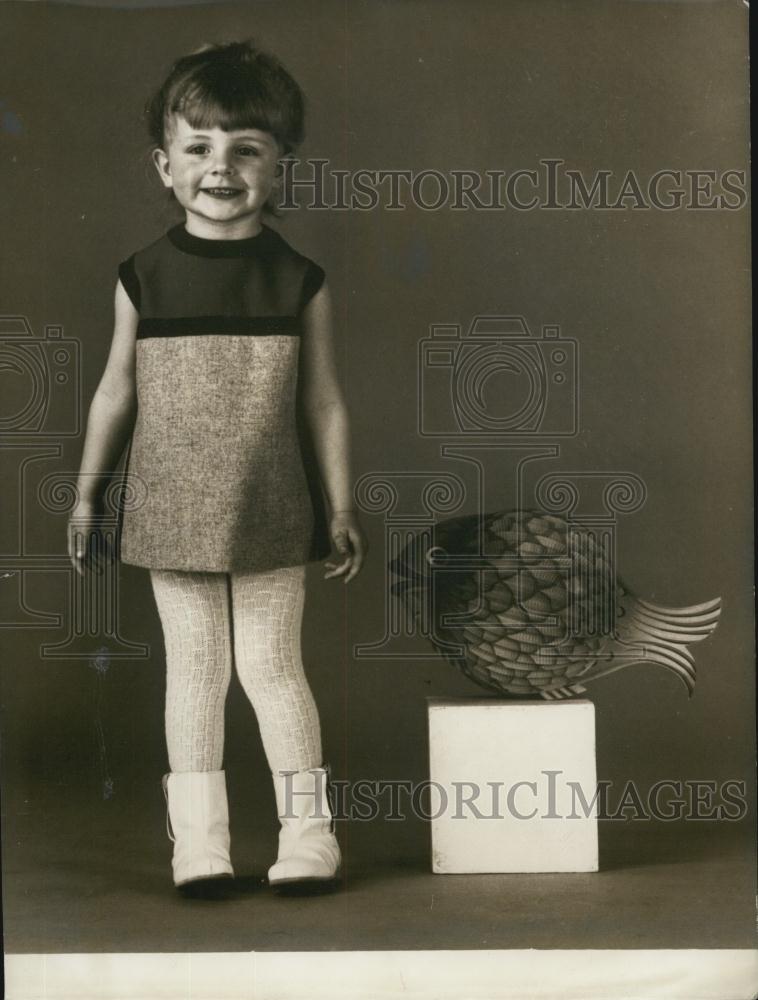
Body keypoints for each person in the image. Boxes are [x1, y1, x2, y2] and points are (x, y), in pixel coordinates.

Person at [67, 39, 367, 894]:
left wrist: (340, 503)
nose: (220, 166)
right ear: (164, 166)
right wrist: (88, 494)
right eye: (198, 147)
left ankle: (309, 836)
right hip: (168, 504)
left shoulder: (298, 280)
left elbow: (324, 401)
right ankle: (198, 844)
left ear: (281, 168)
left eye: (247, 148)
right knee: (194, 671)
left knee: (272, 669)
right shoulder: (142, 278)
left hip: (270, 503)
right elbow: (115, 392)